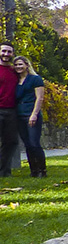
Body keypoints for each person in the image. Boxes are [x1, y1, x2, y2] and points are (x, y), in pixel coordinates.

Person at [13, 55, 46, 177]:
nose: (18, 67)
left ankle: (42, 170)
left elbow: (39, 98)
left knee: (34, 143)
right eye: (16, 65)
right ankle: (34, 170)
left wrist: (34, 114)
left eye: (21, 64)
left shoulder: (35, 79)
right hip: (19, 114)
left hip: (31, 113)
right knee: (27, 144)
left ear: (27, 65)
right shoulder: (15, 80)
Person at [0, 42, 18, 177]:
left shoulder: (15, 71)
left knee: (11, 141)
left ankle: (4, 171)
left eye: (9, 52)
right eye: (4, 51)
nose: (6, 54)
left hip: (11, 111)